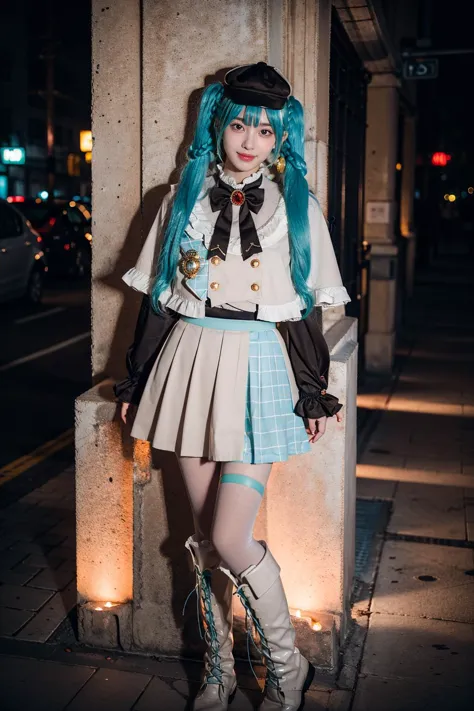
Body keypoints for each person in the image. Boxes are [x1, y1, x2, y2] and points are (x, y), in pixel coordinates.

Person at [115, 62, 350, 711]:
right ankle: (217, 666)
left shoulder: (295, 208)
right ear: (219, 123)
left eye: (266, 131)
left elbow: (303, 309)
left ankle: (285, 665)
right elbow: (159, 302)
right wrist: (134, 377)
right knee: (200, 532)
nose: (250, 140)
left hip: (256, 370)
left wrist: (313, 390)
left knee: (230, 535)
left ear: (280, 140)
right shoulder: (179, 196)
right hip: (186, 363)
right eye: (241, 123)